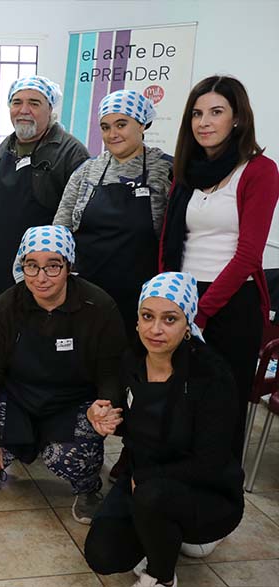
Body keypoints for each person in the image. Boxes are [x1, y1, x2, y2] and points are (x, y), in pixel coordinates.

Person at [85, 272, 244, 587]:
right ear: (138, 320)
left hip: (206, 491)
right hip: (142, 480)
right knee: (103, 555)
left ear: (187, 325)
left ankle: (161, 575)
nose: (155, 329)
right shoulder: (132, 360)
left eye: (169, 319)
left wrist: (144, 480)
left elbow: (210, 462)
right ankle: (163, 535)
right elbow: (126, 413)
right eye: (147, 316)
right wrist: (103, 413)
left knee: (152, 498)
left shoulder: (211, 377)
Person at [0, 225, 126, 524]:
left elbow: (111, 369)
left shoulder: (99, 306)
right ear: (21, 265)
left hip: (74, 403)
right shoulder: (7, 306)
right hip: (19, 398)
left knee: (76, 457)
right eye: (32, 266)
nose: (41, 277)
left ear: (69, 266)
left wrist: (105, 403)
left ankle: (88, 488)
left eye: (53, 266)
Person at [160, 75, 279, 460]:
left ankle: (214, 495)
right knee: (178, 401)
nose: (203, 122)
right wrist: (167, 296)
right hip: (182, 297)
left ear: (238, 119)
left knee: (222, 409)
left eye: (216, 112)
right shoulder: (187, 171)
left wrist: (203, 312)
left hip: (230, 304)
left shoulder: (259, 170)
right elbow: (169, 240)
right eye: (196, 113)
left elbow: (248, 256)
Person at [54, 89, 173, 338]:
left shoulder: (165, 170)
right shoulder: (86, 172)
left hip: (144, 299)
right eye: (105, 127)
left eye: (121, 124)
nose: (112, 134)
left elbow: (177, 238)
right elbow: (61, 230)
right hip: (86, 295)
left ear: (142, 124)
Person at [0, 75, 89, 311]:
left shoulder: (71, 152)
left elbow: (79, 220)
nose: (24, 110)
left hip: (40, 272)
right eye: (17, 102)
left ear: (50, 109)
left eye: (34, 103)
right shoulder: (5, 147)